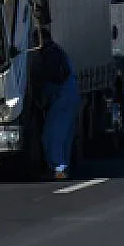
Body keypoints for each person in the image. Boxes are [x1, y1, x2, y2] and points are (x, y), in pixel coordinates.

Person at [32, 26, 80, 180]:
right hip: (68, 96)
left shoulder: (50, 53)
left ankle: (58, 169)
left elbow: (52, 77)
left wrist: (41, 93)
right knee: (64, 136)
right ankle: (61, 168)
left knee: (52, 136)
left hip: (62, 98)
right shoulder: (57, 51)